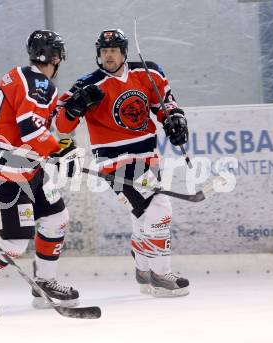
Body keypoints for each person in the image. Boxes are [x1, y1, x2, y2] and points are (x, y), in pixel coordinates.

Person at [55, 29, 190, 297]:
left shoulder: (148, 73)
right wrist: (74, 108)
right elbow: (61, 125)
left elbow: (164, 104)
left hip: (147, 156)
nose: (108, 56)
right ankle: (160, 274)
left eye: (113, 51)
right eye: (104, 51)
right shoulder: (87, 84)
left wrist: (174, 119)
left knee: (143, 214)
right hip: (114, 162)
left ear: (124, 52)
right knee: (160, 208)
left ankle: (143, 271)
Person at [0, 30, 83, 308]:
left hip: (22, 166)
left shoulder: (18, 74)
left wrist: (66, 103)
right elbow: (31, 130)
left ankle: (45, 283)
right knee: (14, 244)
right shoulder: (40, 84)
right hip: (7, 174)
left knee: (56, 217)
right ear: (58, 57)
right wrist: (59, 150)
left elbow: (27, 119)